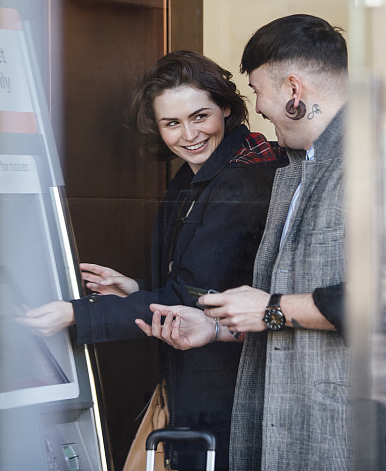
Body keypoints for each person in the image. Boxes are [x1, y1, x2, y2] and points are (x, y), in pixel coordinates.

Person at [137, 15, 386, 470]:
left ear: (294, 90)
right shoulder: (295, 171)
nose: (259, 107)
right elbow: (280, 309)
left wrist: (269, 308)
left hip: (351, 440)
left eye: (259, 90)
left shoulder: (382, 163)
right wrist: (220, 328)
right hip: (289, 436)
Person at [16, 50, 285, 470]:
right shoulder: (205, 171)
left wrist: (75, 313)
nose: (188, 135)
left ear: (226, 108)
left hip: (231, 387)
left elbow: (194, 299)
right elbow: (203, 281)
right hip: (210, 381)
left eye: (200, 117)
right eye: (171, 123)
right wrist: (138, 289)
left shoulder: (243, 179)